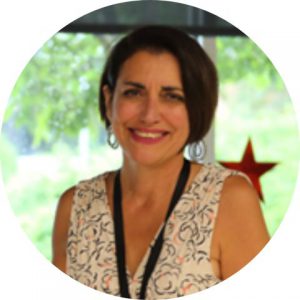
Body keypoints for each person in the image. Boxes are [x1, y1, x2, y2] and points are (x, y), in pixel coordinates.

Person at [52, 25, 269, 299]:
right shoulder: (75, 208)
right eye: (134, 92)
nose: (150, 114)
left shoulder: (230, 200)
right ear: (109, 101)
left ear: (197, 107)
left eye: (172, 96)